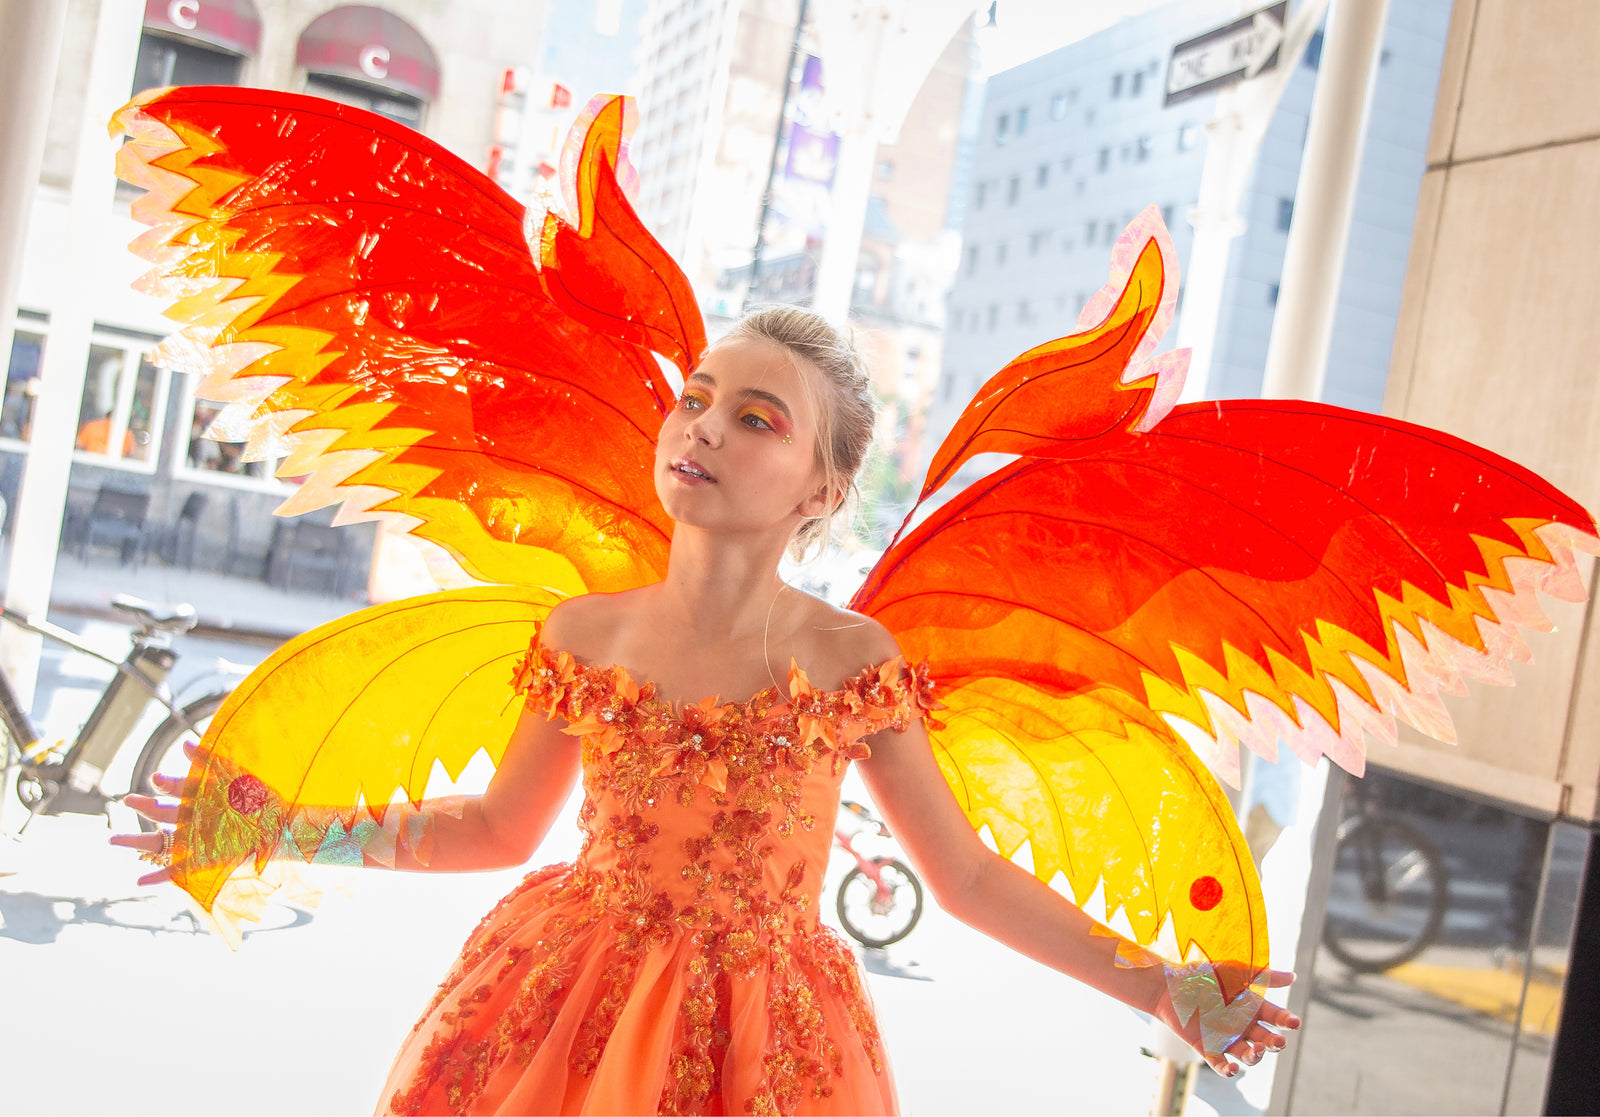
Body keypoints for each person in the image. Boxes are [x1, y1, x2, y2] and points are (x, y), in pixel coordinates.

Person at [116, 306, 1297, 1115]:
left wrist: (1159, 986)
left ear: (824, 490)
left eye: (757, 418)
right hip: (559, 1006)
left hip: (767, 1037)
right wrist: (275, 826)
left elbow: (968, 877)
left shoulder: (850, 658)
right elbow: (493, 831)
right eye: (697, 398)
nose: (703, 426)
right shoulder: (587, 633)